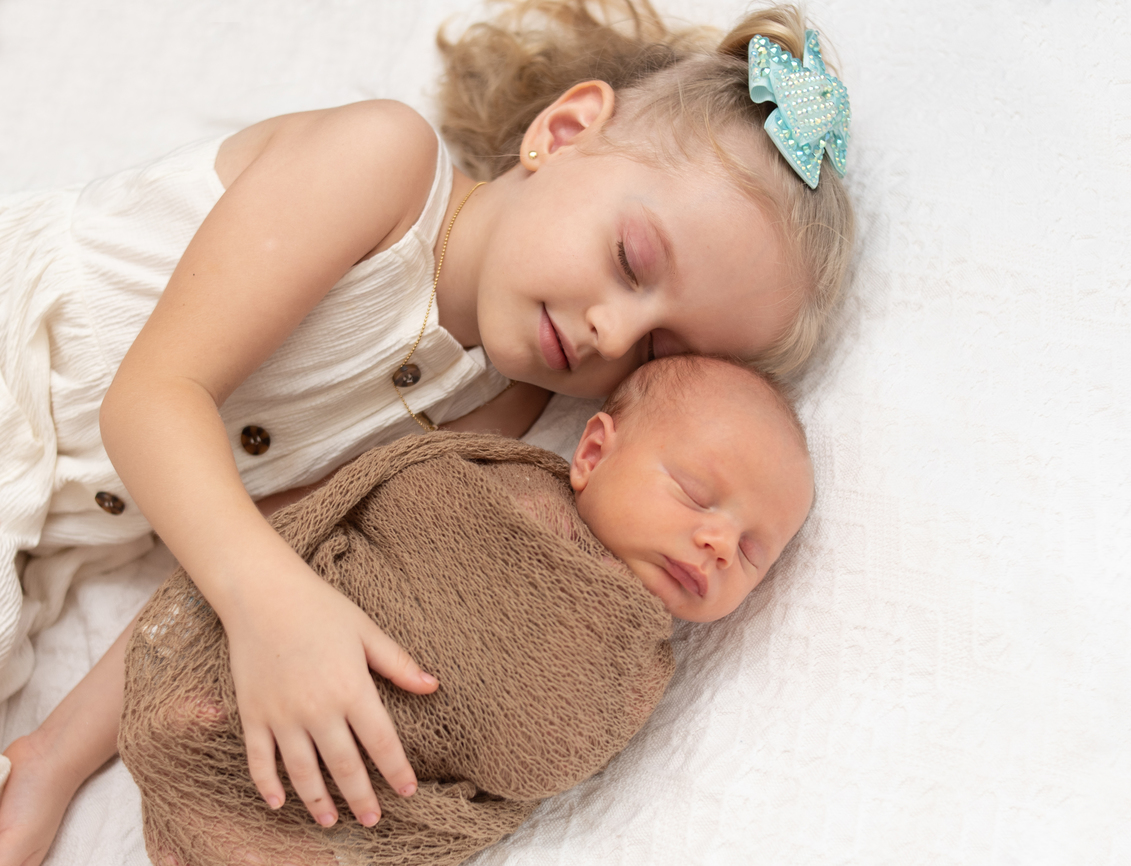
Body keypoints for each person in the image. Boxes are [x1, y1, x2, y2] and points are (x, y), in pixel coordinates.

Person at [0, 0, 852, 861]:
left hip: (42, 527)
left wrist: (51, 763)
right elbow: (152, 400)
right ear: (563, 131)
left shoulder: (496, 411)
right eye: (631, 260)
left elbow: (257, 543)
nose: (615, 334)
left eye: (661, 350)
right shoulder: (384, 164)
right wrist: (276, 608)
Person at [118, 354, 815, 866]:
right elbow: (387, 502)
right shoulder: (493, 491)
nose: (720, 544)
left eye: (754, 550)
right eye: (695, 493)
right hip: (271, 663)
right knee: (197, 721)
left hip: (366, 796)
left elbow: (527, 771)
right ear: (594, 452)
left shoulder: (637, 674)